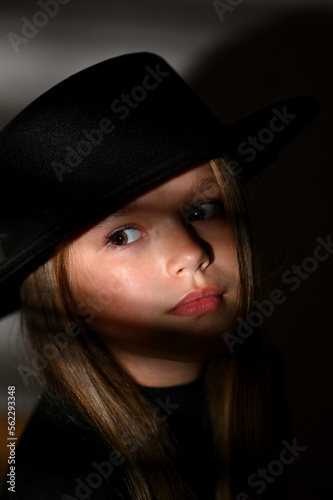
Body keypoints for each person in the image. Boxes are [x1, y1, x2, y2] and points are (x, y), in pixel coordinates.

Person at [0, 52, 319, 500]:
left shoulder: (257, 380)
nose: (191, 253)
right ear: (58, 289)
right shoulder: (59, 476)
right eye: (124, 235)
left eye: (202, 210)